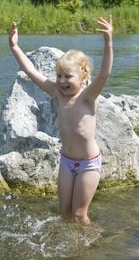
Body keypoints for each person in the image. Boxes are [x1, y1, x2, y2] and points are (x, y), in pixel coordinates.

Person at [9, 16, 113, 225]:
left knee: (79, 215)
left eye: (68, 76)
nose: (62, 81)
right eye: (59, 76)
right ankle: (68, 252)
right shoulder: (56, 93)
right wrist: (14, 47)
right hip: (66, 162)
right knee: (64, 213)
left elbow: (103, 75)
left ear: (83, 76)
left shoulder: (87, 97)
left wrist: (108, 42)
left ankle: (88, 248)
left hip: (88, 164)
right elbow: (30, 71)